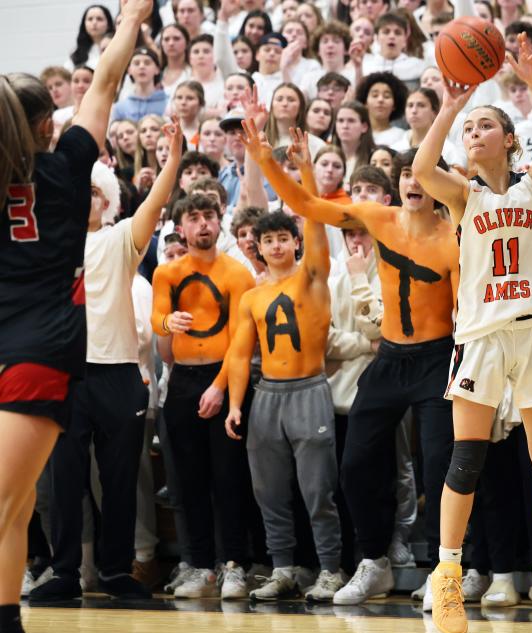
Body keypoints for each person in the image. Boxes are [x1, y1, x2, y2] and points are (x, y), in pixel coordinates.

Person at [411, 32, 532, 633]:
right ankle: (449, 574)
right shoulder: (463, 196)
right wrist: (451, 107)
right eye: (471, 130)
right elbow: (419, 169)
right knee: (468, 457)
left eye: (486, 125)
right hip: (483, 337)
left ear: (509, 138)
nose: (475, 134)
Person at [241, 125, 459, 606]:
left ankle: (447, 569)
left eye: (424, 174)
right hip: (388, 357)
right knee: (357, 463)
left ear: (442, 182)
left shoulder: (455, 239)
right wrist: (266, 160)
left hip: (437, 357)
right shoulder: (378, 218)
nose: (414, 183)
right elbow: (308, 207)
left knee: (440, 466)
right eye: (406, 175)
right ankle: (374, 562)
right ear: (398, 183)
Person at [0, 0, 153, 633]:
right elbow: (108, 81)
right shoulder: (68, 170)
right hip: (45, 344)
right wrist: (131, 19)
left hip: (28, 346)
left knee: (8, 506)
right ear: (44, 128)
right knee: (13, 507)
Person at [29, 119, 183, 603]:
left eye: (95, 192)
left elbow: (156, 204)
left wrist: (172, 164)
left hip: (118, 374)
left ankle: (116, 572)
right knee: (64, 481)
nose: (87, 198)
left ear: (107, 200)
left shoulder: (119, 240)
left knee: (119, 482)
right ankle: (66, 572)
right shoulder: (46, 244)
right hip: (64, 373)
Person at [224, 135, 345, 600]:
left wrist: (306, 173)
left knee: (318, 493)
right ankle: (282, 568)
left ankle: (331, 568)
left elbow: (315, 221)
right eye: (267, 239)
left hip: (308, 389)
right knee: (269, 493)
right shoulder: (252, 295)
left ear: (295, 242)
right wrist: (236, 403)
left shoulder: (313, 278)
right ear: (257, 247)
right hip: (266, 395)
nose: (275, 246)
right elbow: (238, 353)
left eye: (282, 238)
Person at [150, 192, 257, 600]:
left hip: (224, 376)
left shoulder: (237, 273)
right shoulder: (168, 273)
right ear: (182, 228)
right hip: (181, 379)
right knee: (188, 482)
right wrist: (167, 320)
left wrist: (220, 387)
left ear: (220, 221)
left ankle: (234, 565)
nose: (203, 224)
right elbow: (157, 317)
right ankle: (198, 565)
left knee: (229, 478)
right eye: (194, 218)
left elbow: (242, 341)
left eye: (209, 216)